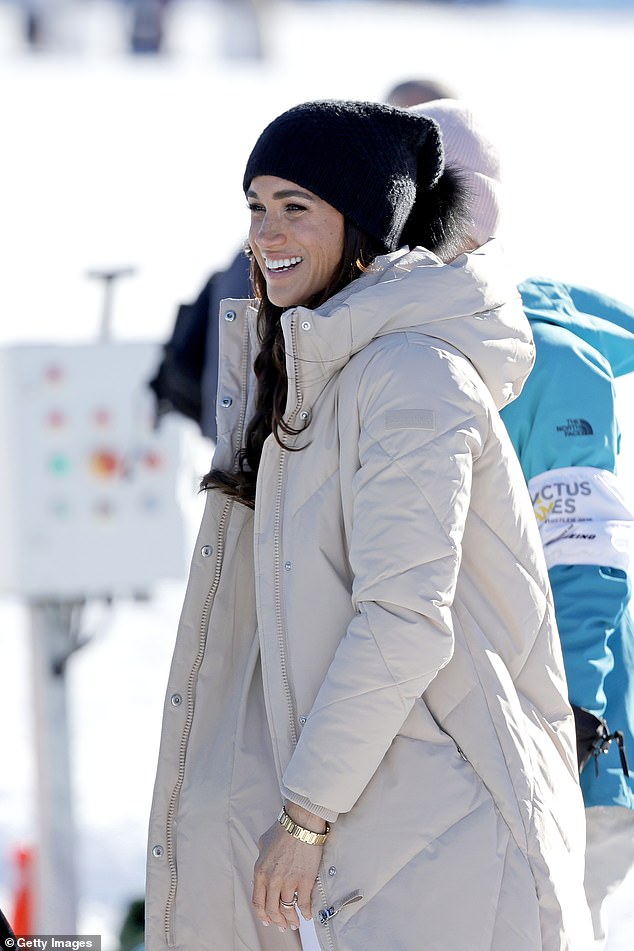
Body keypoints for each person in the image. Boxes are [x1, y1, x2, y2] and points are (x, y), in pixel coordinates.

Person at [146, 99, 591, 951]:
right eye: (256, 206)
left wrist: (305, 818)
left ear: (362, 227)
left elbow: (402, 618)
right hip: (382, 844)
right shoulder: (313, 377)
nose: (266, 233)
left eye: (297, 207)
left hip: (456, 841)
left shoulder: (413, 378)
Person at [499, 280, 634, 949]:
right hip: (527, 738)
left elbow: (585, 563)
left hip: (573, 748)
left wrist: (575, 719)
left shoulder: (549, 362)